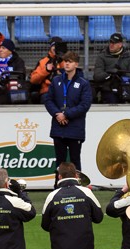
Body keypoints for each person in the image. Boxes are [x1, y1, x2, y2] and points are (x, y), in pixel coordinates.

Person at [44, 51, 92, 186]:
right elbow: (48, 100)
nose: (66, 64)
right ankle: (57, 187)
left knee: (75, 160)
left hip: (75, 127)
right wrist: (57, 114)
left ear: (76, 64)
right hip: (58, 127)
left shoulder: (83, 83)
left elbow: (85, 105)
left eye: (70, 61)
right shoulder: (56, 81)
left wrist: (66, 114)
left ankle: (78, 187)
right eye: (65, 61)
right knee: (59, 161)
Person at [93, 32, 130, 104]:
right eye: (110, 42)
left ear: (120, 44)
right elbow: (97, 76)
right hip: (108, 89)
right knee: (112, 100)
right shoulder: (102, 56)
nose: (111, 45)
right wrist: (110, 74)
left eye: (114, 43)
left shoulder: (128, 56)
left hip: (124, 88)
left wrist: (122, 74)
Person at [29, 37, 66, 102]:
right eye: (54, 46)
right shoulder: (43, 61)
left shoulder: (66, 61)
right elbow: (33, 80)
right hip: (47, 92)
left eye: (58, 46)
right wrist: (46, 70)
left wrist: (61, 62)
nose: (55, 48)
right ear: (50, 47)